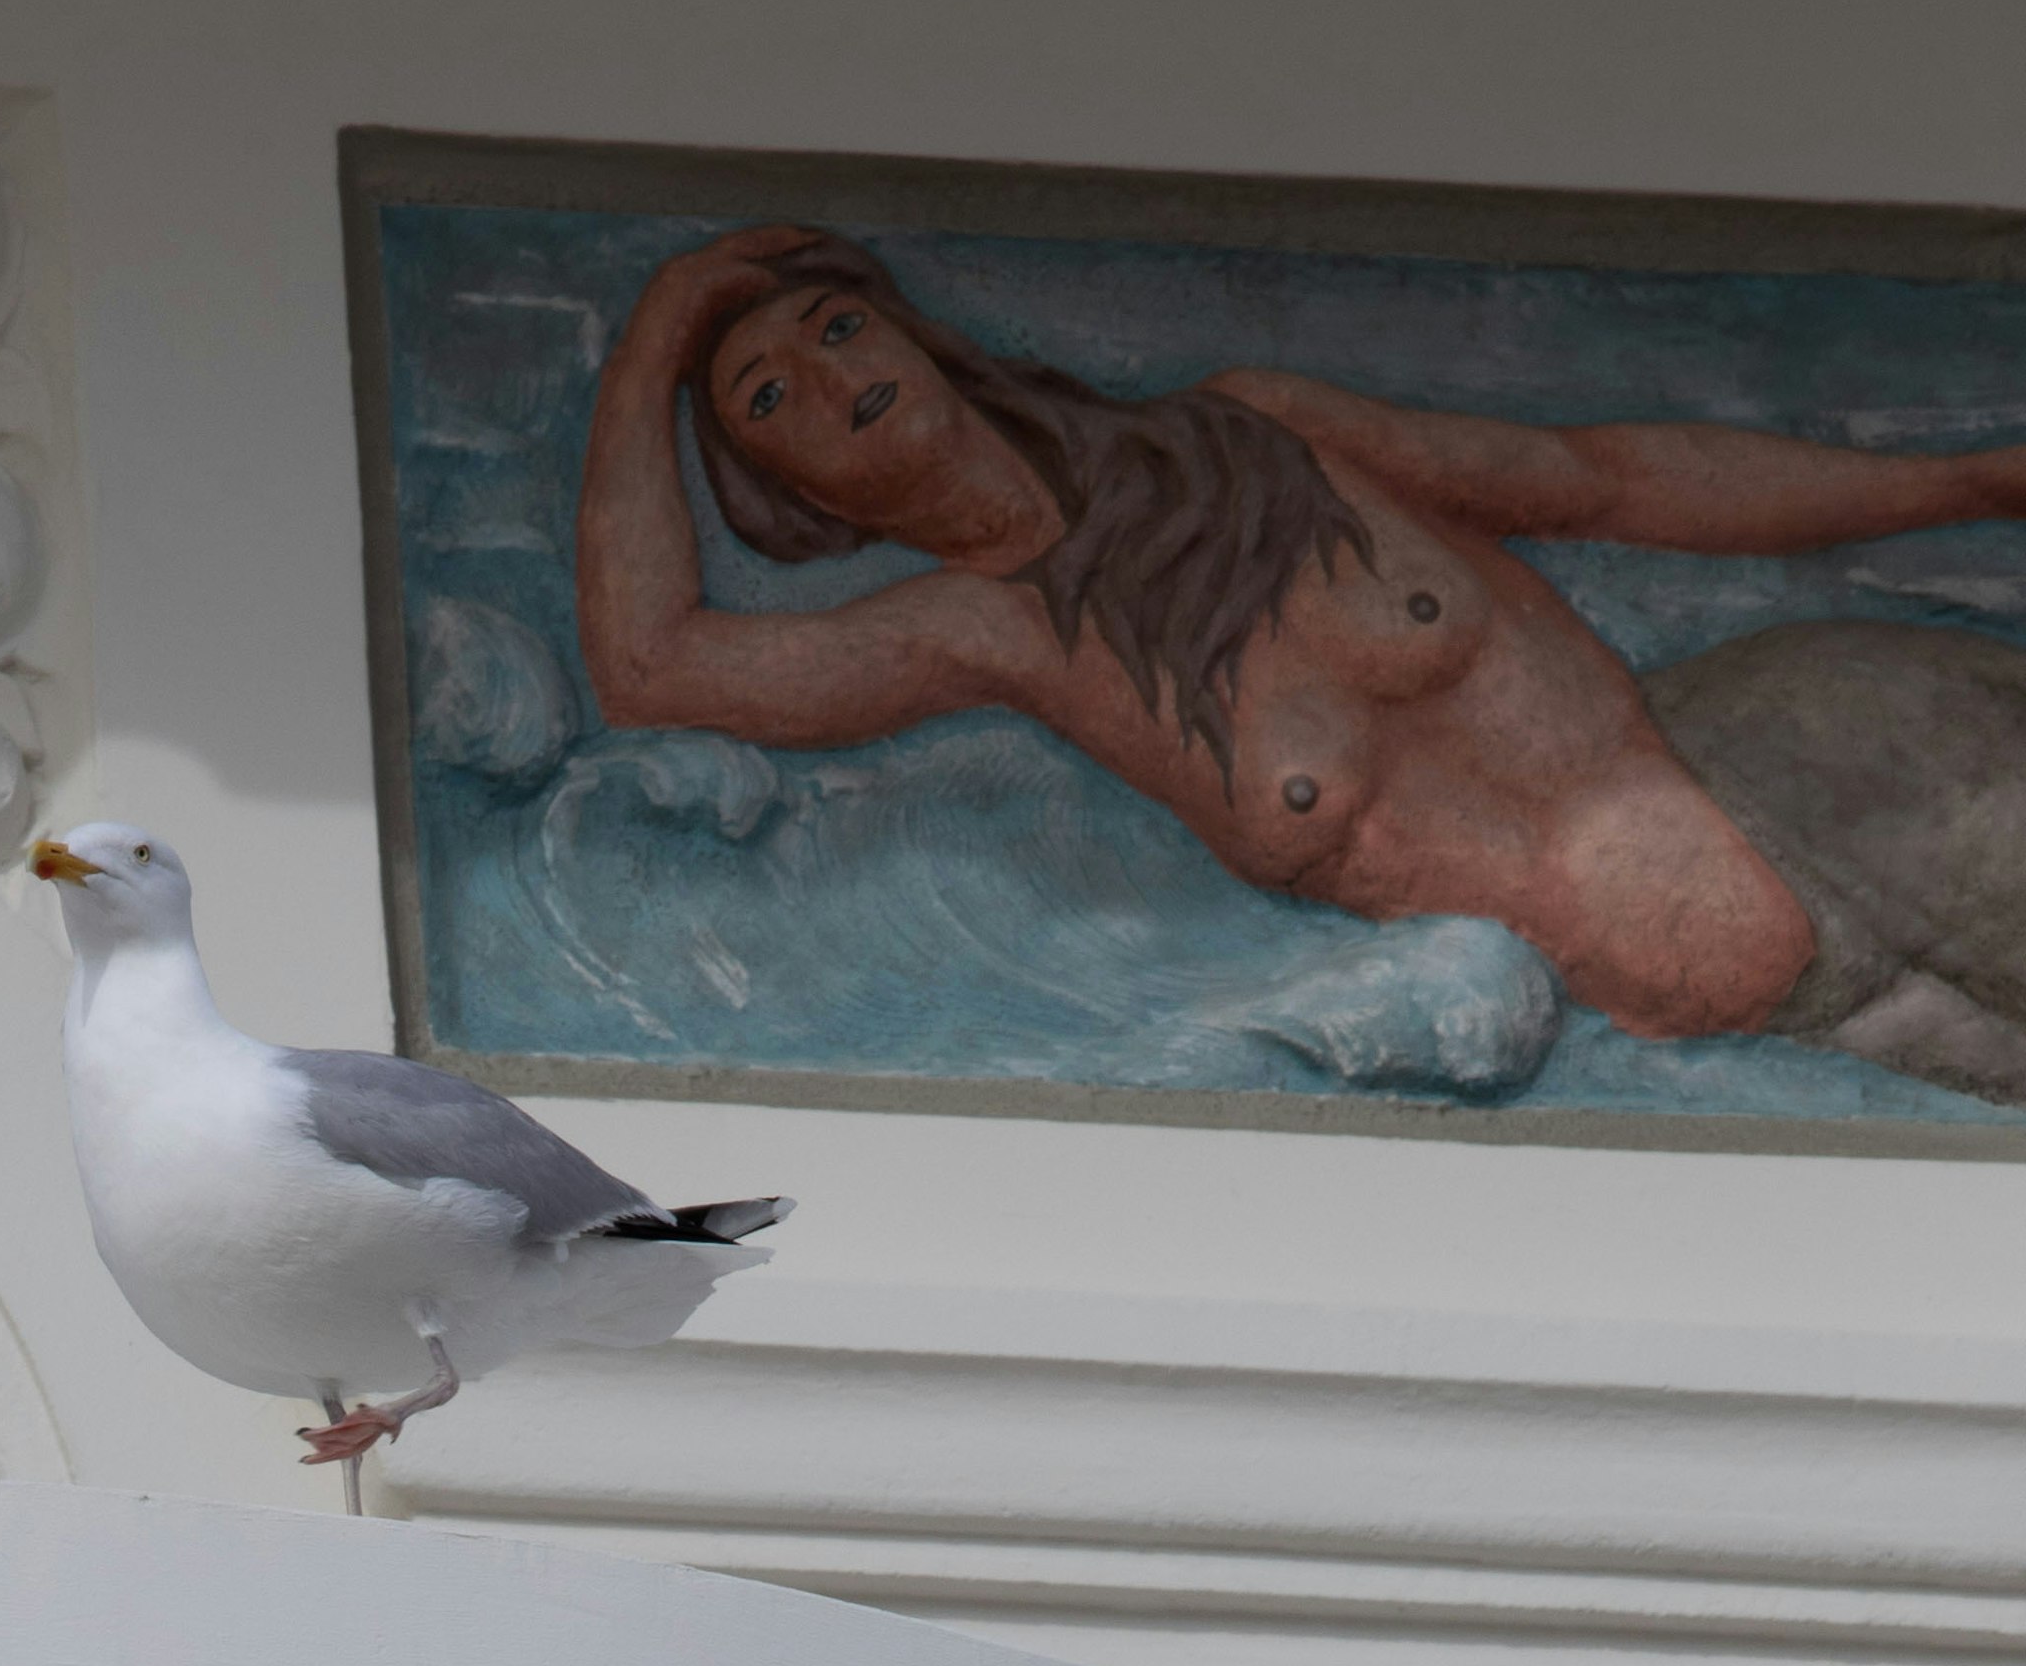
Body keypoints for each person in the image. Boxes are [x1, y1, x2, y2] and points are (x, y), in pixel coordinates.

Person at [574, 226, 2026, 1096]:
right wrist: (653, 338)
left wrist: (1971, 488)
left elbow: (1605, 482)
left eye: (840, 326)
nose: (833, 376)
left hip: (1836, 790)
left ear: (922, 335)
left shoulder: (1259, 428)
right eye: (774, 397)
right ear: (795, 502)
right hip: (1810, 1020)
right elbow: (652, 671)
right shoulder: (997, 638)